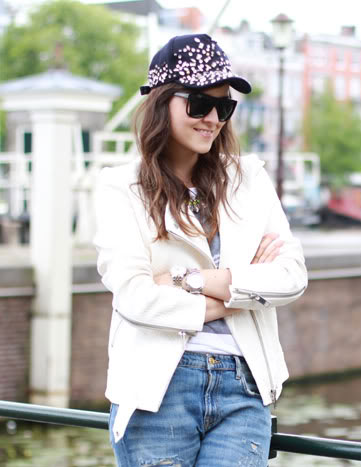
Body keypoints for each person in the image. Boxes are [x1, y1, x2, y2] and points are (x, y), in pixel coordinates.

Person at [92, 34, 308, 466]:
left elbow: (290, 277)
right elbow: (135, 297)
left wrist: (187, 281)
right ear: (162, 103)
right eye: (199, 104)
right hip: (158, 388)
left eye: (223, 107)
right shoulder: (121, 187)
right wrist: (243, 294)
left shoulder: (248, 179)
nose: (213, 118)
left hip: (244, 387)